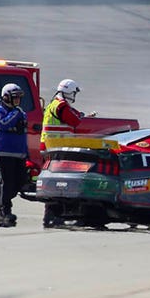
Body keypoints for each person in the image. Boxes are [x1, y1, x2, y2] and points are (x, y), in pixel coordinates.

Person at [40, 79, 95, 227]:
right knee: (59, 183)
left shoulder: (54, 104)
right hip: (57, 149)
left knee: (53, 182)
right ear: (70, 92)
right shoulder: (62, 106)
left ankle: (51, 215)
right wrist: (84, 118)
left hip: (50, 148)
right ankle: (54, 215)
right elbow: (75, 121)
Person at [0, 83, 29, 227]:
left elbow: (23, 134)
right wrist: (16, 113)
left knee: (20, 181)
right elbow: (2, 124)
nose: (18, 100)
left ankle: (0, 198)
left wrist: (27, 155)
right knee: (6, 182)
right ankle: (5, 212)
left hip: (18, 154)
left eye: (19, 98)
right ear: (6, 97)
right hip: (2, 152)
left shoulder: (21, 112)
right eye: (15, 97)